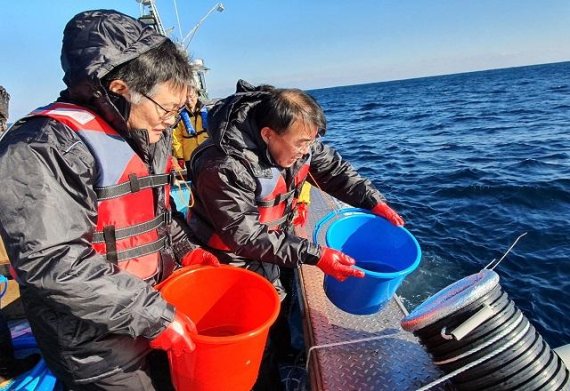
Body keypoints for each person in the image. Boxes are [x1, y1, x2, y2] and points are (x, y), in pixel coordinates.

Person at [0, 10, 220, 390]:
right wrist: (152, 315)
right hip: (93, 346)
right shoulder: (40, 146)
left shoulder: (144, 131)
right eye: (168, 109)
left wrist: (187, 251)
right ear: (120, 89)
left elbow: (154, 212)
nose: (172, 120)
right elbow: (54, 262)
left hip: (154, 311)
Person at [187, 80, 405, 389]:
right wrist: (316, 255)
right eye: (301, 143)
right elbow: (243, 235)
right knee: (251, 334)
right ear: (268, 135)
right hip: (229, 262)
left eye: (310, 142)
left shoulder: (299, 142)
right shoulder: (222, 164)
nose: (306, 150)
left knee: (283, 305)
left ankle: (287, 358)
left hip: (277, 245)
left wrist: (373, 201)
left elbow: (336, 171)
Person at [171, 84, 209, 173]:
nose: (189, 100)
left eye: (191, 96)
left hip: (207, 152)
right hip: (190, 156)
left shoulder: (208, 112)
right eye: (186, 97)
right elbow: (176, 138)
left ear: (196, 95)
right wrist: (180, 157)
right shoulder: (178, 117)